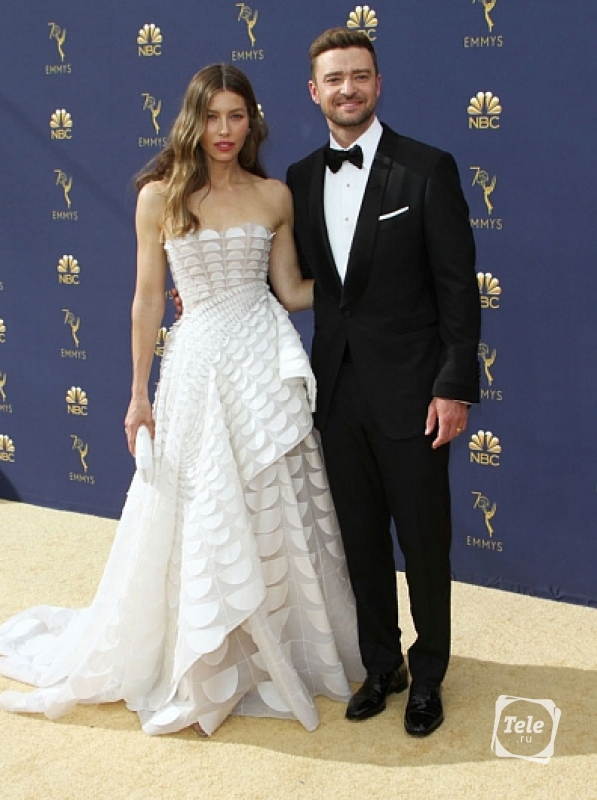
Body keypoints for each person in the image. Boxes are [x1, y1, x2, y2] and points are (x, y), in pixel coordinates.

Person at [0, 63, 363, 737]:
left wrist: (367, 282)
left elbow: (292, 290)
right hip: (198, 364)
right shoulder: (159, 197)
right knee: (203, 505)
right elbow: (148, 300)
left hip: (261, 363)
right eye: (211, 116)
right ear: (191, 121)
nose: (224, 130)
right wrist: (136, 395)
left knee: (271, 498)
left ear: (252, 122)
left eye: (236, 116)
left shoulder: (275, 196)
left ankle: (276, 646)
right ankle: (201, 655)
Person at [285, 29, 481, 737]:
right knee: (359, 541)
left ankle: (428, 675)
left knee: (424, 543)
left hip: (415, 393)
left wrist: (453, 386)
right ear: (314, 90)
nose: (348, 89)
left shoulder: (427, 169)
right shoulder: (300, 177)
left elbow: (458, 289)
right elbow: (293, 280)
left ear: (378, 83)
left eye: (360, 76)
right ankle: (381, 665)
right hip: (335, 393)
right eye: (335, 78)